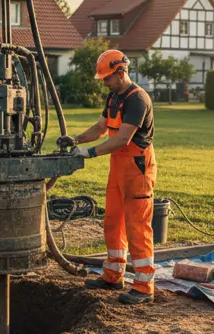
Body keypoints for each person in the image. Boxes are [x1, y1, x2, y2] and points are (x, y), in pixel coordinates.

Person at [57, 49, 157, 305]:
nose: (104, 83)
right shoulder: (113, 97)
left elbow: (123, 139)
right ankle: (113, 275)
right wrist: (76, 139)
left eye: (107, 78)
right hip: (118, 167)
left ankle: (144, 287)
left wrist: (88, 153)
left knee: (137, 226)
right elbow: (101, 128)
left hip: (137, 168)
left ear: (121, 73)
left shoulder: (138, 100)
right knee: (112, 221)